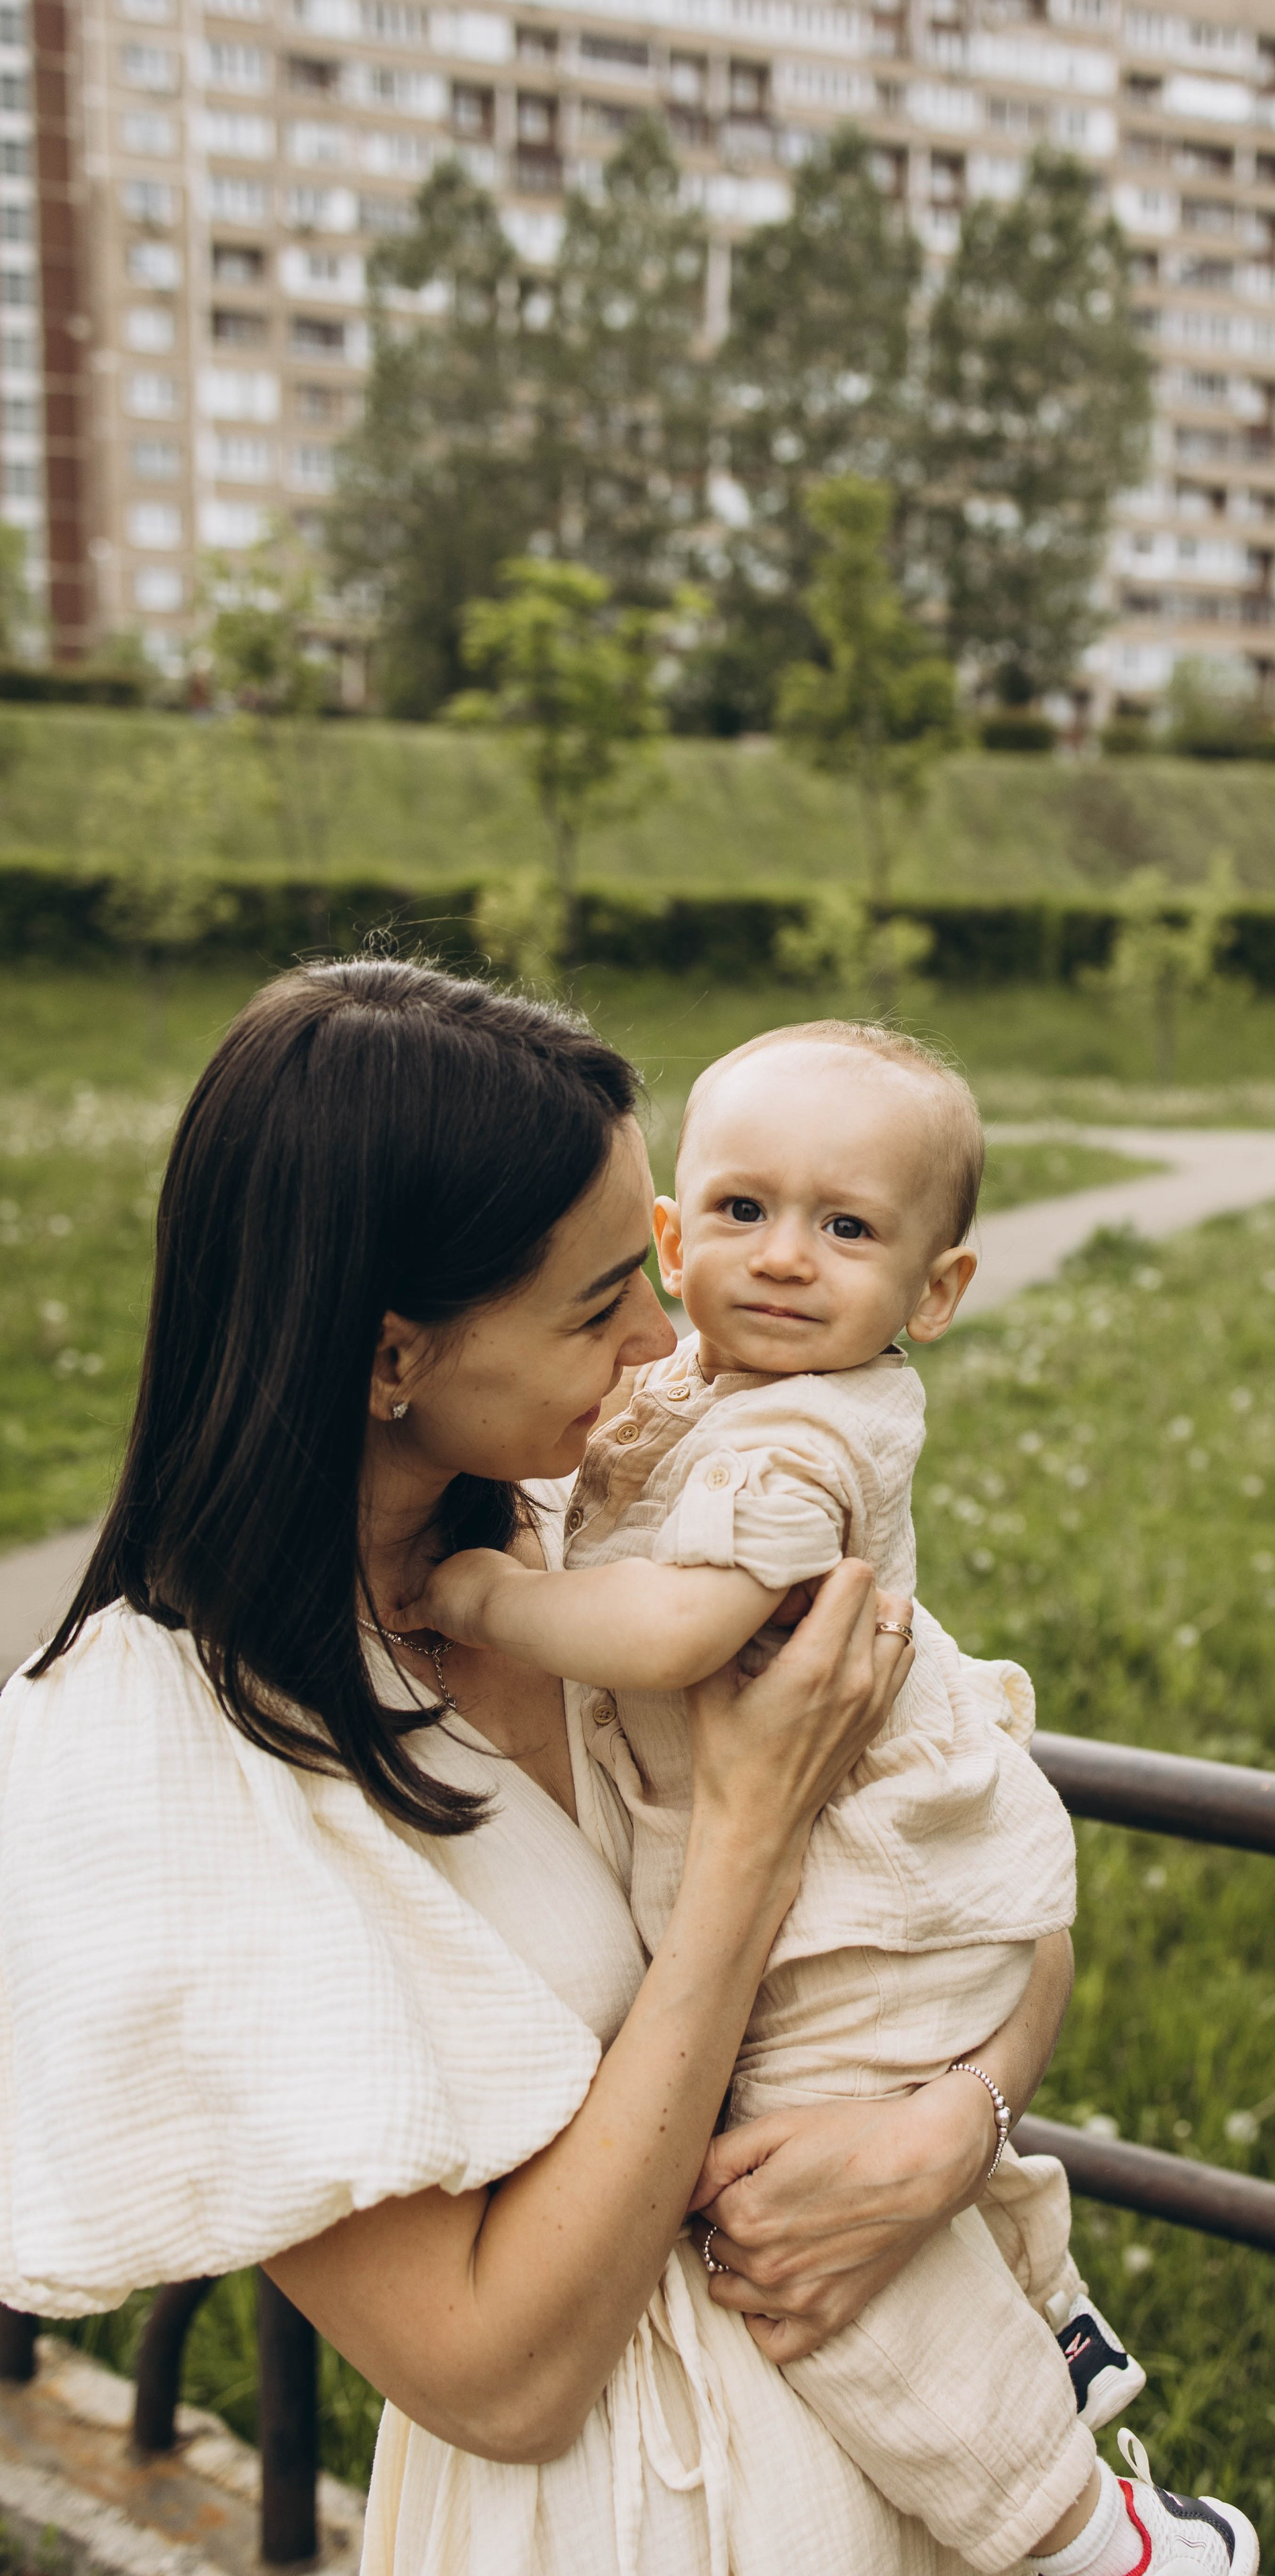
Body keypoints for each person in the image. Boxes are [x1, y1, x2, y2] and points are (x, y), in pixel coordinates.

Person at [0, 961, 1066, 2576]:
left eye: (652, 1256)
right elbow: (499, 2379)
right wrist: (744, 1850)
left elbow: (974, 1866)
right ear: (388, 1359)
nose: (665, 1336)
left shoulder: (611, 1546)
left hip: (894, 2474)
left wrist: (953, 2125)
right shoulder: (161, 1771)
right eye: (595, 1304)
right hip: (607, 2528)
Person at [412, 1021, 1260, 2576]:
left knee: (807, 2261)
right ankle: (1054, 2339)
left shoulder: (806, 1430)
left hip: (857, 1906)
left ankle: (1084, 2536)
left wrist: (481, 1597)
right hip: (858, 1908)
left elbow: (677, 1627)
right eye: (739, 1213)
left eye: (847, 1227)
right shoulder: (686, 1400)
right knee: (855, 2192)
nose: (786, 1259)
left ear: (934, 1294)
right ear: (672, 1239)